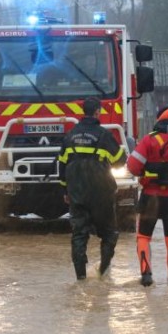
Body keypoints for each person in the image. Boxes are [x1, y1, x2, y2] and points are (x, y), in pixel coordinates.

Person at [58, 97, 127, 280]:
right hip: (101, 193)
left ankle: (80, 279)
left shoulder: (70, 136)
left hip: (77, 193)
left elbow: (61, 166)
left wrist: (65, 191)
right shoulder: (104, 135)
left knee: (79, 235)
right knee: (109, 233)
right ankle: (102, 272)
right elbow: (121, 160)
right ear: (97, 112)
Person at [127, 107, 168, 286]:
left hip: (151, 197)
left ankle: (146, 275)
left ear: (159, 120)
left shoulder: (149, 140)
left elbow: (132, 166)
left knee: (143, 237)